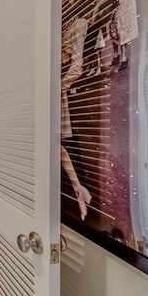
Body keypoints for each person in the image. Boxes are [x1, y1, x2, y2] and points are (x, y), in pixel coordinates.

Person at [61, 14, 92, 221]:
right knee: (55, 148)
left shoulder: (79, 25)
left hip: (53, 92)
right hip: (50, 92)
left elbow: (77, 67)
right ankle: (79, 190)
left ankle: (79, 191)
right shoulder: (67, 28)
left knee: (53, 146)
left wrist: (58, 87)